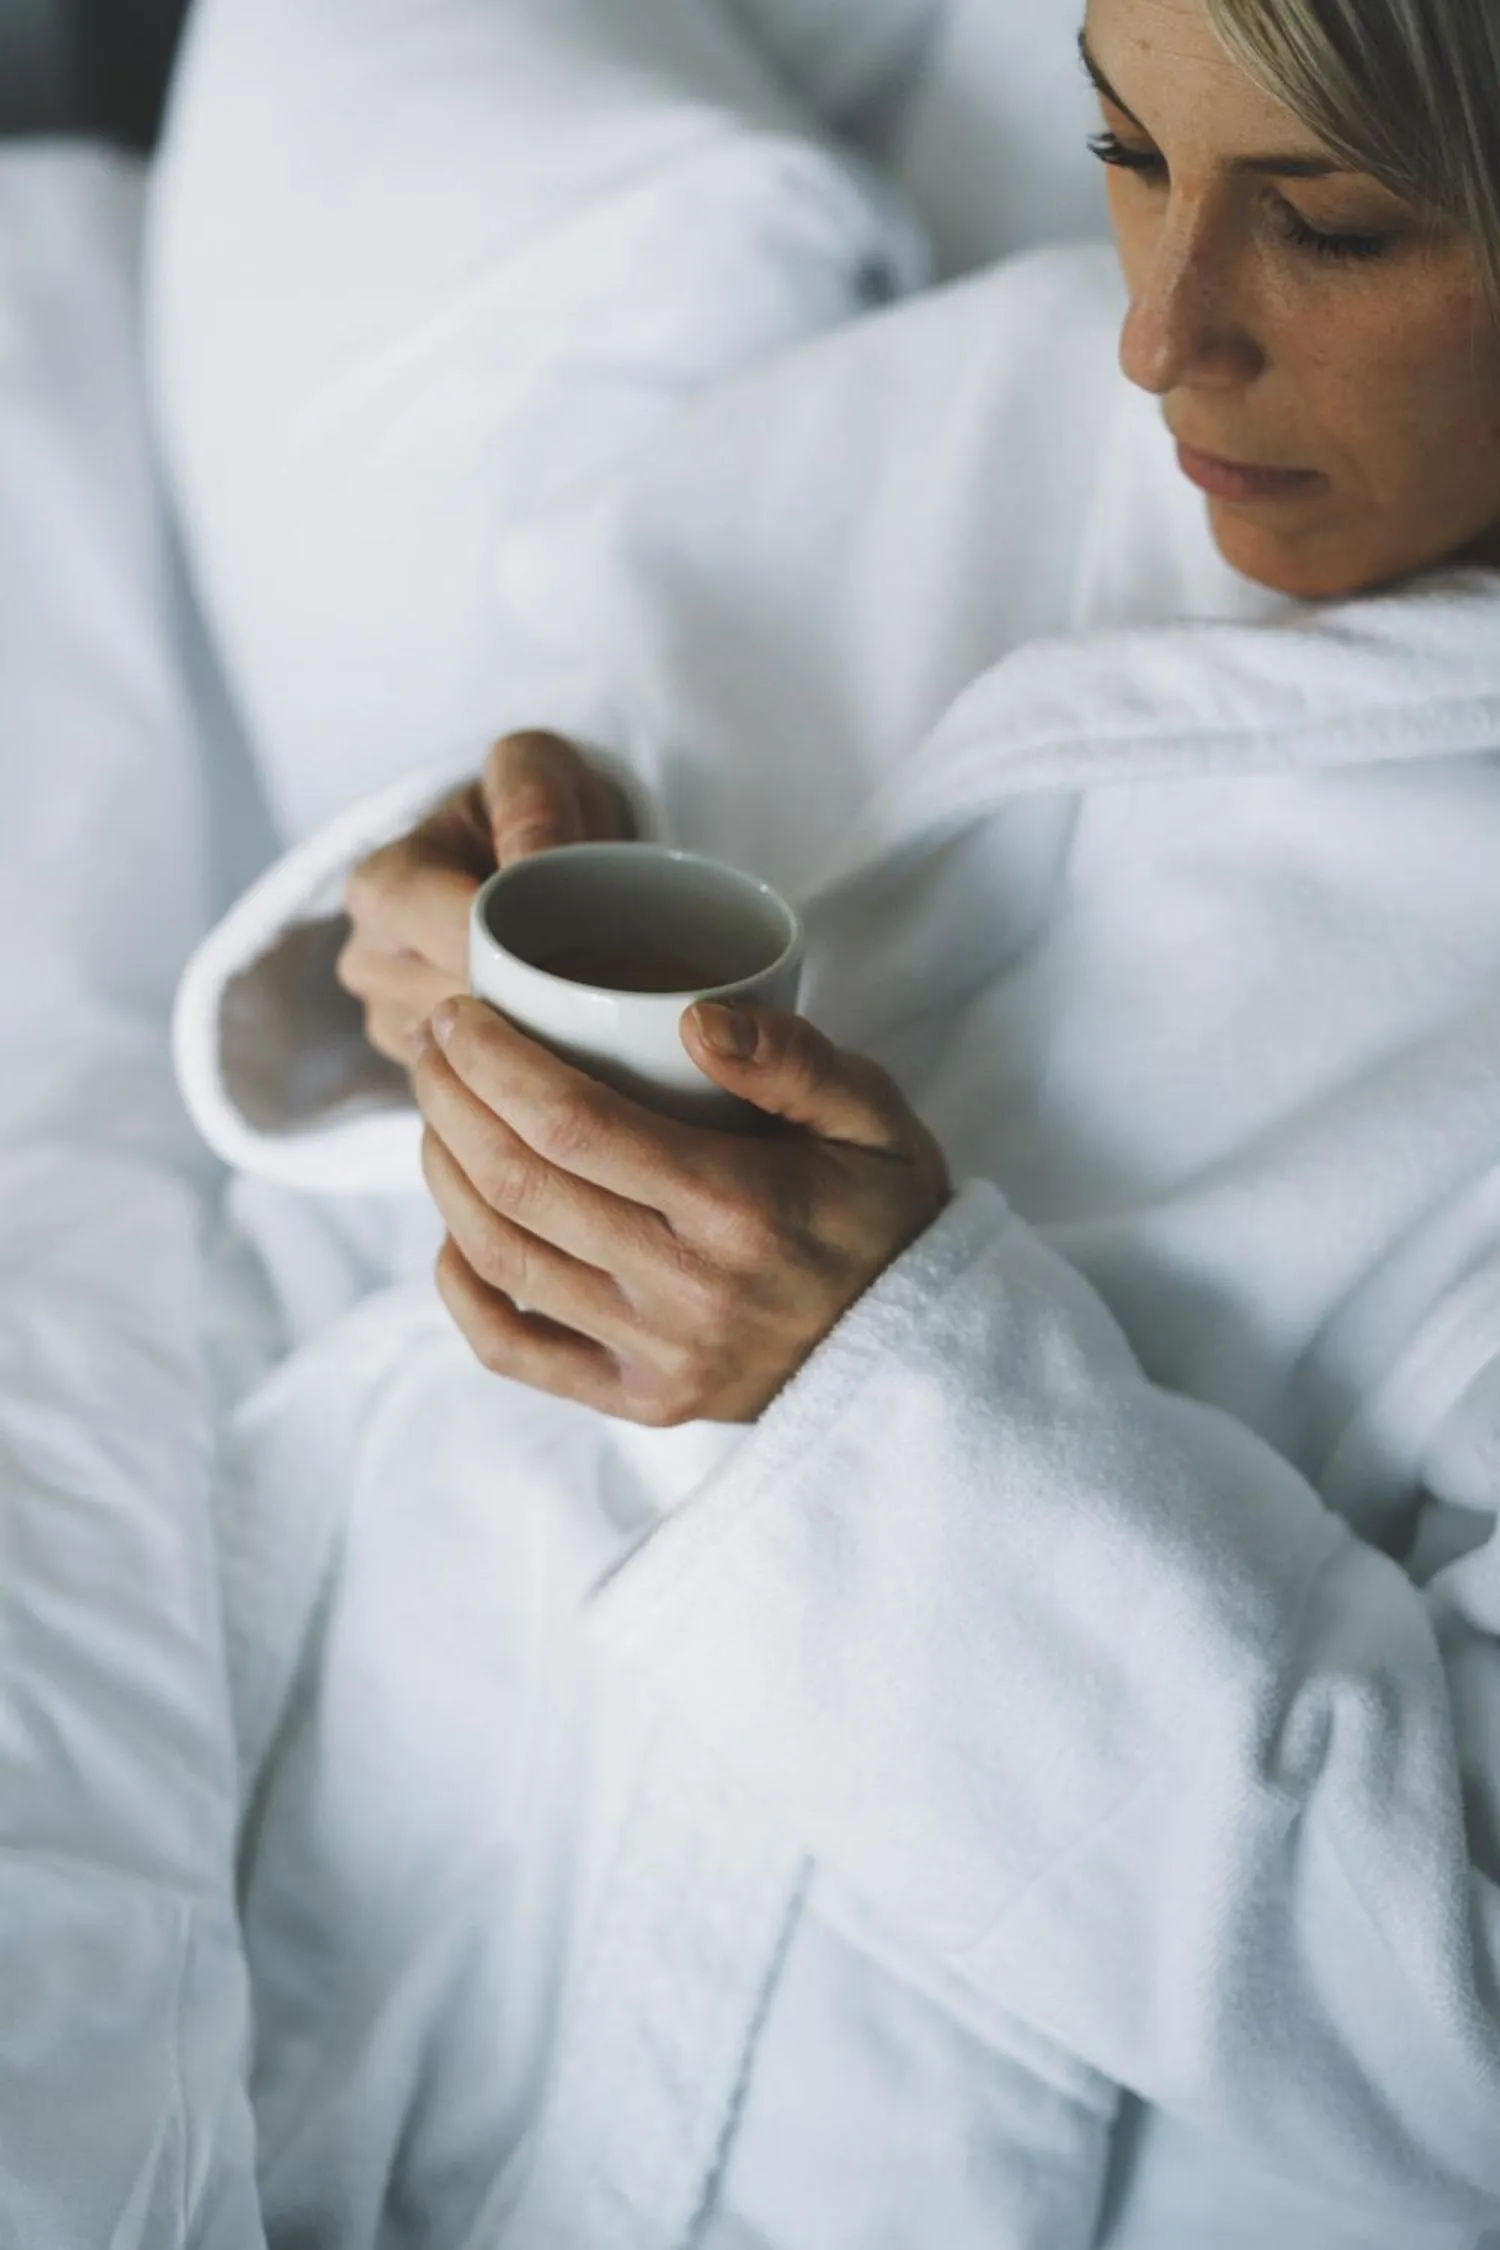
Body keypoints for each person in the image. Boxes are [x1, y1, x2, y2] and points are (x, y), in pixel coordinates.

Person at [149, 0, 1500, 2243]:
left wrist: (872, 1400)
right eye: (1124, 147)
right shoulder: (948, 408)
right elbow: (531, 789)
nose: (1161, 341)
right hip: (305, 1866)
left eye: (1337, 228)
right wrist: (419, 960)